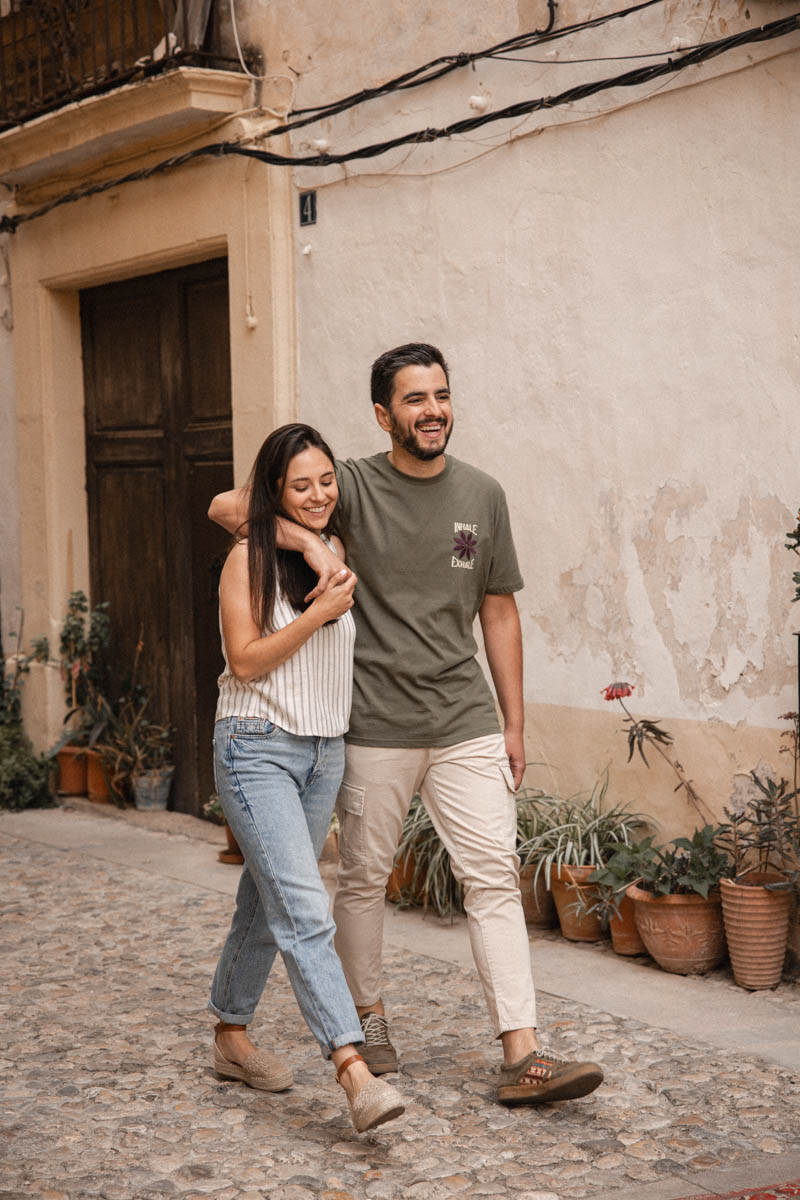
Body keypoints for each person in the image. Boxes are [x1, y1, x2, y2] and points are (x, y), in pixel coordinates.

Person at [210, 346, 603, 1106]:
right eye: (415, 399)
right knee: (362, 882)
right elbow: (230, 509)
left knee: (492, 877)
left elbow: (498, 611)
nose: (433, 411)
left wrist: (514, 723)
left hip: (465, 719)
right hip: (372, 725)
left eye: (441, 395)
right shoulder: (348, 484)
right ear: (383, 415)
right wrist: (309, 541)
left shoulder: (483, 494)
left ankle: (522, 1050)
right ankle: (368, 1020)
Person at [208, 422, 405, 1133]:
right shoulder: (247, 558)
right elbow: (245, 660)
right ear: (275, 490)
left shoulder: (337, 549)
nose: (319, 495)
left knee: (266, 903)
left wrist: (316, 546)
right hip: (255, 747)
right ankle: (353, 1070)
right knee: (303, 908)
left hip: (323, 752)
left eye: (326, 481)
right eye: (300, 486)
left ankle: (231, 1037)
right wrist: (319, 608)